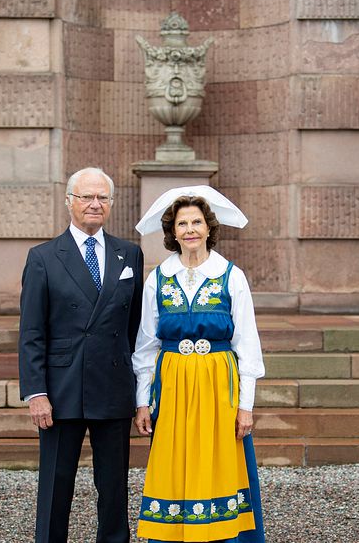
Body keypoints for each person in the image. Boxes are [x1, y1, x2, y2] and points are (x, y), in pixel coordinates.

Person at [132, 185, 266, 542]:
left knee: (219, 464)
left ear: (209, 227)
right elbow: (146, 344)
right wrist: (142, 400)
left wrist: (245, 406)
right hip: (173, 387)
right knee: (175, 464)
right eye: (182, 224)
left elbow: (247, 345)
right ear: (172, 232)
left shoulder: (230, 276)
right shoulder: (158, 279)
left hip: (218, 385)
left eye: (196, 222)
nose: (190, 229)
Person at [18, 167, 144, 543]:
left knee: (114, 487)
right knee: (56, 486)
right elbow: (31, 331)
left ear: (111, 204)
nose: (94, 204)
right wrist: (35, 392)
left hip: (113, 384)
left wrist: (141, 392)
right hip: (60, 389)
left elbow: (135, 328)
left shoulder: (130, 254)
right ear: (69, 202)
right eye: (87, 197)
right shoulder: (42, 257)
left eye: (102, 198)